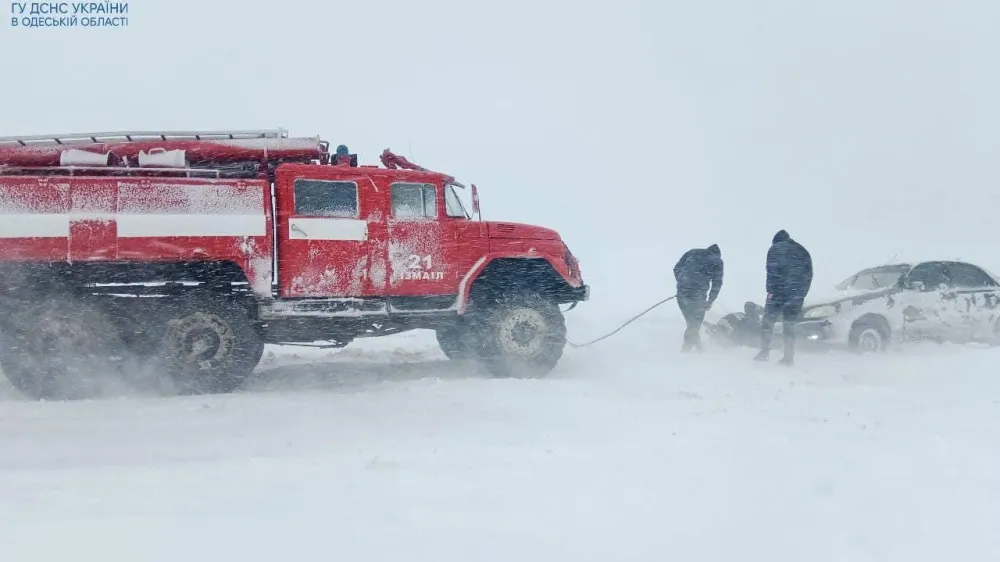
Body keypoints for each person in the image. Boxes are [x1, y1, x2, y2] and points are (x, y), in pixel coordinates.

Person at [754, 229, 813, 365]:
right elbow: (809, 274)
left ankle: (764, 352)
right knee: (789, 325)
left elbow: (772, 271)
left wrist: (771, 291)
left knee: (768, 322)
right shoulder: (802, 251)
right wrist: (802, 293)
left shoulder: (775, 248)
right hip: (797, 294)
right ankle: (788, 357)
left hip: (779, 292)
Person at [673, 244, 724, 351]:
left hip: (681, 295)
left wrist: (683, 283)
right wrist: (710, 300)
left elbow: (676, 268)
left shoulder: (692, 252)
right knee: (694, 326)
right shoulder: (717, 261)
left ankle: (700, 350)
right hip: (698, 297)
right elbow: (717, 283)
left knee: (692, 325)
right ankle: (686, 353)